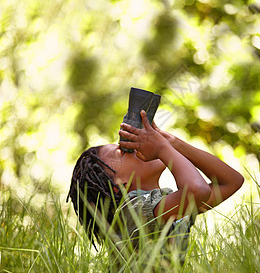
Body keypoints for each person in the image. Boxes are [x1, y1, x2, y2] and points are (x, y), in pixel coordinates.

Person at [66, 110, 244, 268]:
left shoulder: (165, 205)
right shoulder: (131, 211)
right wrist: (162, 148)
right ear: (118, 185)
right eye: (123, 150)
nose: (133, 147)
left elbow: (231, 181)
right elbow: (199, 190)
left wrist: (173, 143)